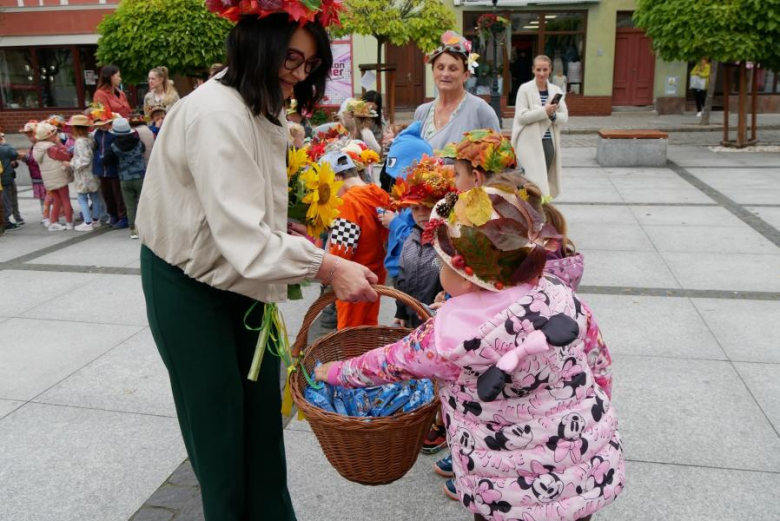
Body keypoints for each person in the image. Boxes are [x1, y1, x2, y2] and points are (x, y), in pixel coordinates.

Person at [135, 4, 376, 519]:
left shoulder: (260, 100)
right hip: (189, 285)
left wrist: (281, 224)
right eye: (291, 58)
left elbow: (243, 210)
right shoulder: (217, 113)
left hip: (237, 277)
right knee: (219, 431)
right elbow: (242, 239)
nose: (299, 73)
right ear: (255, 44)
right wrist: (328, 267)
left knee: (262, 419)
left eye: (309, 64)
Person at [316, 183, 624, 521]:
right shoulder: (562, 299)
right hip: (581, 467)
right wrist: (597, 409)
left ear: (464, 278)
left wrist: (334, 372)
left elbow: (388, 363)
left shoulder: (448, 338)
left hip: (502, 487)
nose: (440, 269)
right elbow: (599, 362)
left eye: (443, 264)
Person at [321, 149, 389, 329]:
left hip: (353, 282)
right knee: (367, 329)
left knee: (350, 336)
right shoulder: (378, 194)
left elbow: (341, 252)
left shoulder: (348, 203)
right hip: (375, 276)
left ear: (336, 179)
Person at [391, 156, 456, 329]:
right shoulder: (411, 240)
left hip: (440, 321)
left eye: (428, 206)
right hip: (413, 319)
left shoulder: (450, 241)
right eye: (415, 208)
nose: (421, 214)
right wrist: (401, 311)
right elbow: (402, 279)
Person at [415, 31, 500, 151]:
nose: (445, 74)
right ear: (433, 71)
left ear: (466, 75)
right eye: (440, 68)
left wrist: (459, 168)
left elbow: (497, 157)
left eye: (453, 69)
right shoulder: (422, 112)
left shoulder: (480, 110)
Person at [511, 54, 568, 199]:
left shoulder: (556, 90)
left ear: (550, 70)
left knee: (543, 179)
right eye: (538, 69)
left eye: (545, 69)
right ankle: (526, 210)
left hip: (548, 141)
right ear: (533, 70)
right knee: (528, 180)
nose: (541, 73)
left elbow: (564, 117)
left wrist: (552, 115)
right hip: (528, 142)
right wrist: (544, 111)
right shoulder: (524, 89)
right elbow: (522, 117)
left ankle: (540, 210)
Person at [103, 117, 146, 240]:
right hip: (140, 177)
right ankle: (148, 227)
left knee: (130, 206)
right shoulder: (138, 142)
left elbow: (106, 161)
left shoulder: (114, 146)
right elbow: (142, 150)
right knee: (144, 203)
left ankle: (134, 231)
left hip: (125, 179)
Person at [32, 122, 74, 231]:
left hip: (49, 179)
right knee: (65, 199)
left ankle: (53, 222)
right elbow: (66, 155)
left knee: (57, 200)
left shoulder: (37, 147)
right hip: (59, 177)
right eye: (54, 134)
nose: (56, 135)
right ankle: (69, 222)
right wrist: (59, 143)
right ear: (49, 136)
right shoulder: (51, 148)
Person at [91, 109, 128, 228]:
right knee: (107, 194)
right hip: (101, 168)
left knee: (117, 193)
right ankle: (112, 214)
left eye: (104, 123)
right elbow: (96, 146)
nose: (102, 126)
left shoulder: (114, 134)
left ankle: (122, 216)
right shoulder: (96, 134)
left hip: (113, 168)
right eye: (100, 124)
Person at [68, 115, 103, 232]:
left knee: (82, 197)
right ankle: (96, 219)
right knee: (95, 196)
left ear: (76, 128)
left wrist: (71, 164)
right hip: (93, 172)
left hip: (84, 175)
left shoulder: (80, 141)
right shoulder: (90, 138)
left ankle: (87, 222)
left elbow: (84, 159)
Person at [18, 120, 48, 223]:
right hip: (37, 176)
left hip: (42, 176)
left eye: (31, 135)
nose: (30, 138)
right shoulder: (35, 145)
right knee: (43, 198)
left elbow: (36, 160)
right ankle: (46, 216)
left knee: (46, 198)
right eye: (28, 136)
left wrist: (24, 157)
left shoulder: (40, 145)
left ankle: (47, 217)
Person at [0, 132, 23, 230]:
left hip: (7, 177)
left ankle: (12, 218)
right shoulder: (4, 148)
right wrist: (5, 144)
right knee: (6, 201)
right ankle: (6, 222)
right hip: (5, 179)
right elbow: (14, 153)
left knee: (9, 199)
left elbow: (13, 162)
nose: (2, 138)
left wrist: (13, 164)